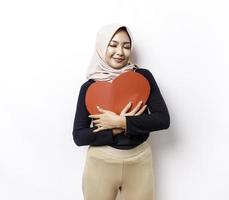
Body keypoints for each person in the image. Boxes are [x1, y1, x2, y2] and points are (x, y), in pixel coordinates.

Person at [72, 23, 170, 200]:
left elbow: (162, 119)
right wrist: (114, 130)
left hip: (139, 161)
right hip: (100, 162)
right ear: (102, 46)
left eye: (126, 46)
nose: (120, 52)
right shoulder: (90, 87)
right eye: (113, 44)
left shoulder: (142, 77)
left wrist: (122, 122)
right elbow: (79, 136)